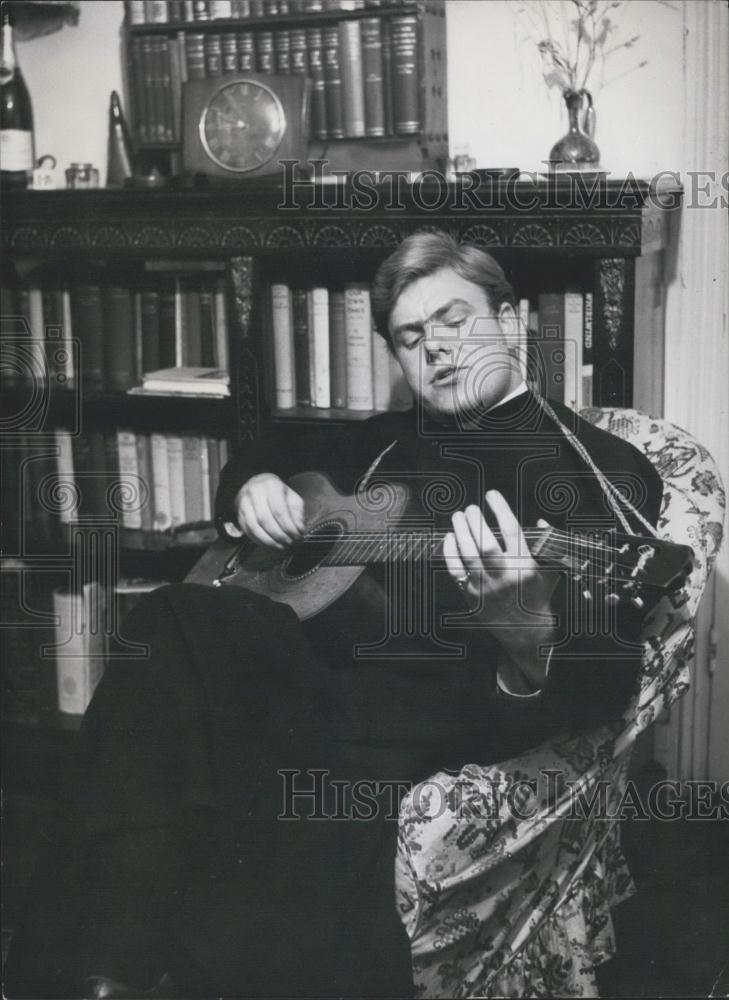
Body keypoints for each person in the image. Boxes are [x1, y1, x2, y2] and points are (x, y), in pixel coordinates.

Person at [5, 234, 662, 999]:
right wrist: (251, 492)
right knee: (173, 620)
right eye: (411, 338)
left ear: (510, 320)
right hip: (291, 676)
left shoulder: (604, 472)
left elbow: (606, 682)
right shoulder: (378, 443)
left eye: (454, 321)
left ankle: (96, 965)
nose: (437, 350)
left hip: (416, 717)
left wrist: (522, 631)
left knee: (172, 683)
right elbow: (264, 455)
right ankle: (92, 977)